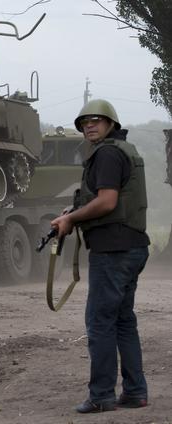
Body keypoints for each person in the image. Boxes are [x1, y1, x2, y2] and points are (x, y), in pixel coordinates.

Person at [50, 99, 149, 414]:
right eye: (84, 122)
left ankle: (102, 395)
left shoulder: (106, 154)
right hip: (132, 245)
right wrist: (75, 210)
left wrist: (71, 220)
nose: (89, 126)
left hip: (114, 249)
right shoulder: (122, 150)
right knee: (123, 321)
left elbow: (107, 202)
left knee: (100, 323)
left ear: (110, 124)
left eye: (95, 120)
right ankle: (135, 393)